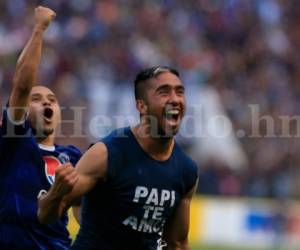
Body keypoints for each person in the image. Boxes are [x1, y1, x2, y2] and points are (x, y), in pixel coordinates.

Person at [38, 66, 198, 250]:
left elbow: (176, 244)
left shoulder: (187, 171)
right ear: (142, 106)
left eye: (179, 92)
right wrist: (56, 193)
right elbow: (46, 215)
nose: (175, 99)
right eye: (164, 93)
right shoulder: (106, 154)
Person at [0, 6, 81, 249]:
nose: (46, 102)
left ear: (58, 114)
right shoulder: (13, 140)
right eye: (37, 99)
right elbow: (23, 86)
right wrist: (39, 29)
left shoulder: (74, 157)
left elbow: (85, 214)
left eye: (52, 100)